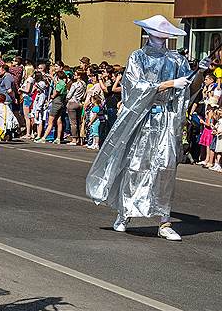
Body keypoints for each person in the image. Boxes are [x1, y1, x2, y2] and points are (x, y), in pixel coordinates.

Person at [87, 15, 212, 241]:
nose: (162, 35)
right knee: (136, 166)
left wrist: (200, 72)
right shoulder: (138, 57)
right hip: (142, 120)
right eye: (158, 30)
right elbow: (134, 87)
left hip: (165, 121)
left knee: (165, 169)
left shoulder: (177, 60)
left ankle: (164, 221)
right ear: (149, 32)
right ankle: (124, 214)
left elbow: (189, 88)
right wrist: (168, 84)